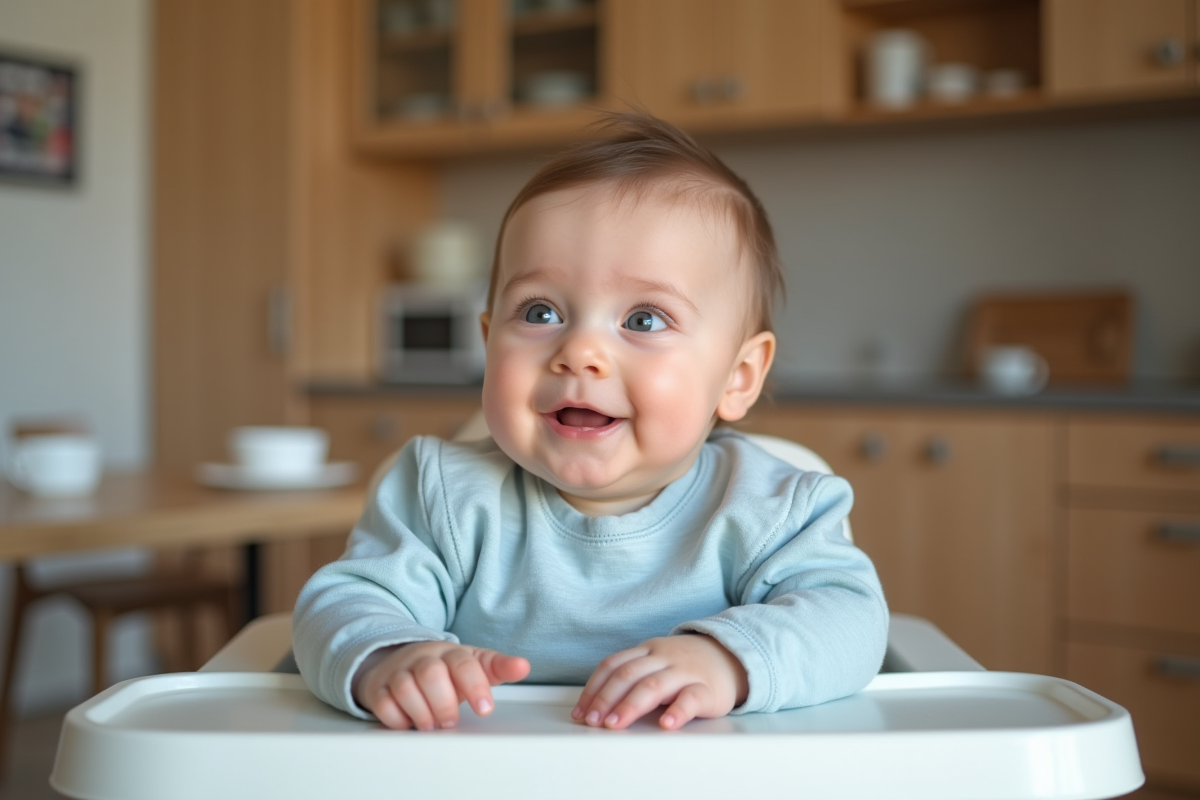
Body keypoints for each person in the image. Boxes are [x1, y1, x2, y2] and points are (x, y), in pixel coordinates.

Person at [293, 112, 887, 733]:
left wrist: (729, 661)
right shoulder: (440, 494)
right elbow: (342, 602)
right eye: (541, 310)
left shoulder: (773, 509)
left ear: (738, 377)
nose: (580, 351)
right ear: (490, 342)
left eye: (644, 320)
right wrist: (391, 656)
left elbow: (851, 619)